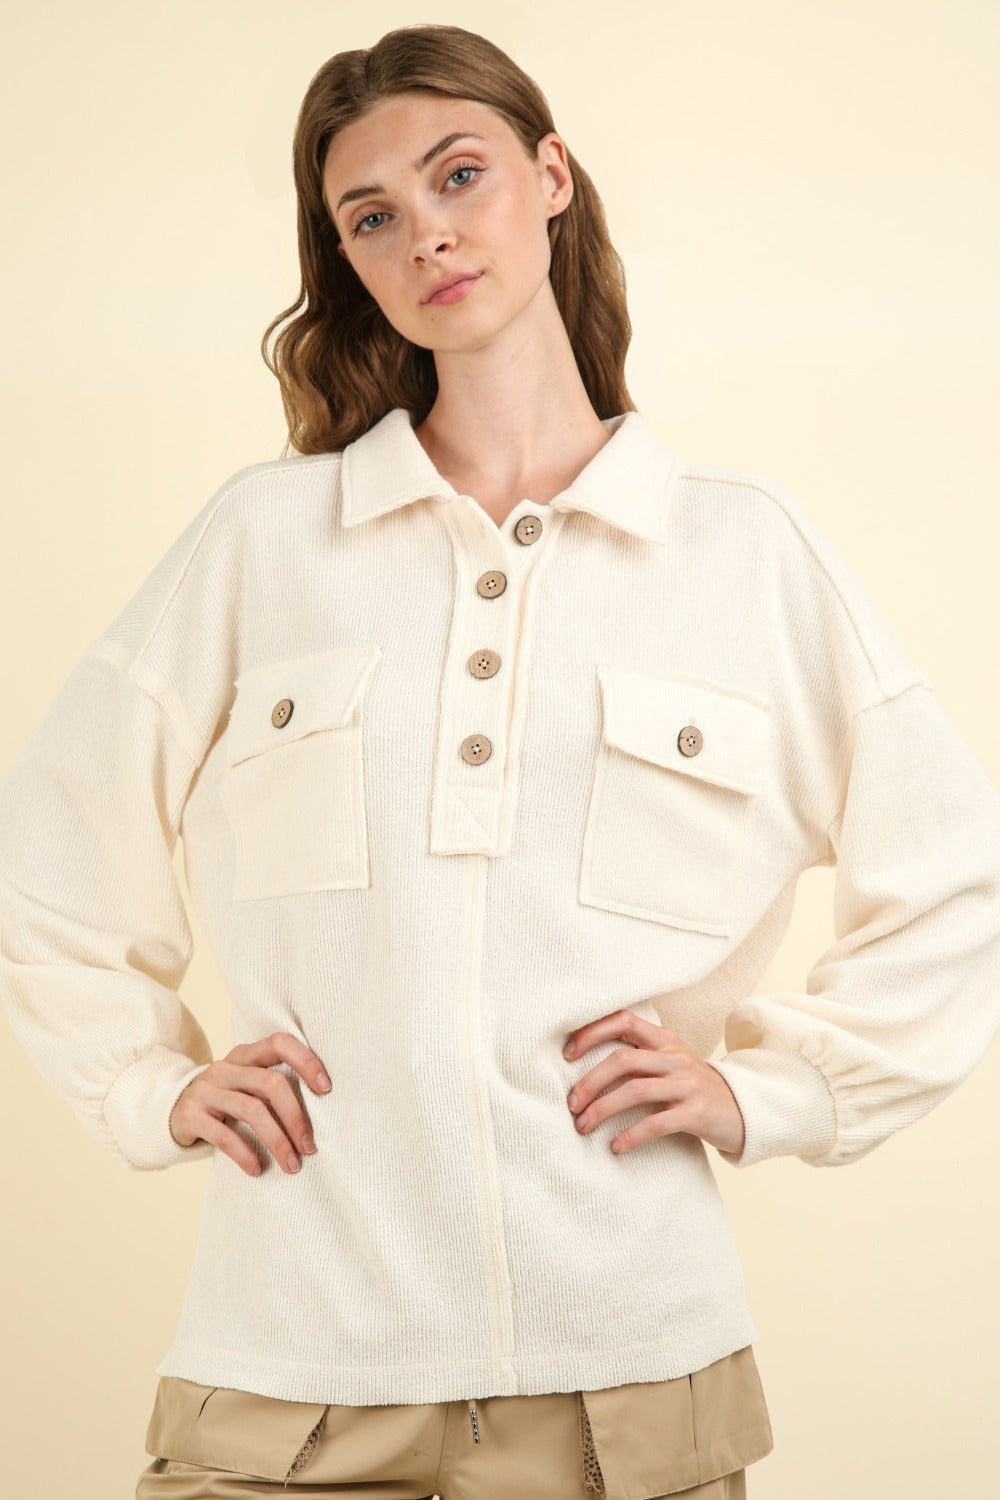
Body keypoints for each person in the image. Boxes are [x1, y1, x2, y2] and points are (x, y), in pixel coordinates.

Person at [1, 20, 999, 1500]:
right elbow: (55, 843)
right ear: (347, 258)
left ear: (550, 177)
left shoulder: (744, 551)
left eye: (458, 175)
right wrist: (145, 1085)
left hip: (629, 1388)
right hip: (290, 1374)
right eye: (371, 216)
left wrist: (771, 1092)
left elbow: (954, 884)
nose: (427, 234)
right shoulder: (266, 543)